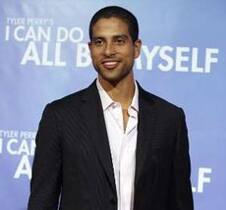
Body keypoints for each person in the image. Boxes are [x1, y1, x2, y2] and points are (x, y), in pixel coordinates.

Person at [27, 6, 194, 210]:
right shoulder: (60, 116)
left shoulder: (170, 118)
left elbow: (181, 201)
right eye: (99, 42)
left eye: (119, 41)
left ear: (136, 47)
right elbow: (42, 201)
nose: (108, 51)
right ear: (90, 49)